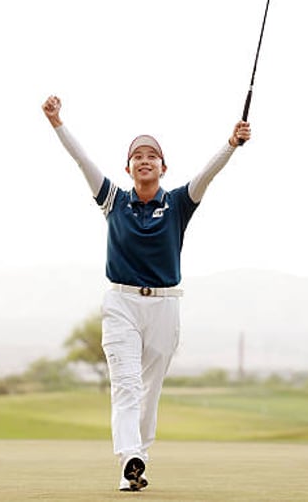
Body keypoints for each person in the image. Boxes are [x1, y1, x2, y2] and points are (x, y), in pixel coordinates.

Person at [41, 95, 251, 491]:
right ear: (128, 167)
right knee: (125, 385)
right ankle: (131, 459)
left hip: (165, 306)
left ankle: (135, 460)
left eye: (152, 155)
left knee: (149, 391)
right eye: (137, 155)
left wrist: (231, 143)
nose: (144, 160)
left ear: (162, 166)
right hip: (120, 302)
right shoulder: (113, 201)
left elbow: (209, 174)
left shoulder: (177, 204)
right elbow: (82, 160)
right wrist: (57, 122)